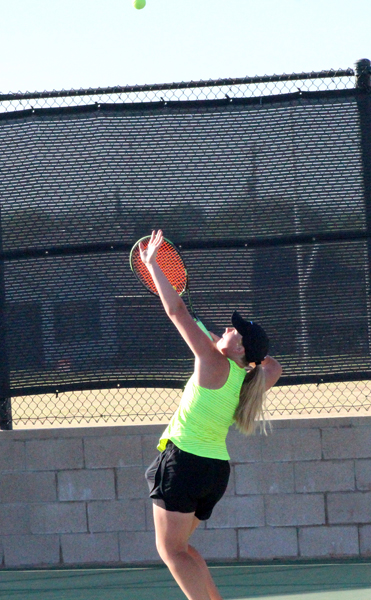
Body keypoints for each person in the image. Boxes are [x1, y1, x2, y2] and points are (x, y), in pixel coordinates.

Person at [141, 230, 282, 600]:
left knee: (171, 552)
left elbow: (176, 310)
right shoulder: (249, 381)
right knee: (183, 550)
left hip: (185, 463)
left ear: (242, 349)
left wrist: (153, 264)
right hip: (213, 471)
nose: (230, 327)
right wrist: (247, 354)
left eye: (237, 331)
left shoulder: (212, 362)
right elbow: (275, 366)